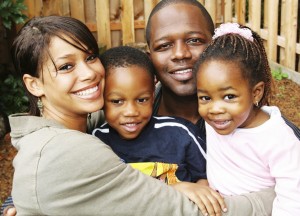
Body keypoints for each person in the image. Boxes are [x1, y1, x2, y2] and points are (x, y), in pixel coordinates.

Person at [4, 15, 276, 216]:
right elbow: (185, 211)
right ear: (34, 84)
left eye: (89, 57)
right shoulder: (68, 150)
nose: (88, 73)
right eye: (65, 67)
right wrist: (281, 196)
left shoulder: (93, 120)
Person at [93, 46, 226, 214]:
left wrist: (200, 192)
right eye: (117, 101)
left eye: (142, 100)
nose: (131, 112)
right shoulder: (97, 143)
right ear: (102, 100)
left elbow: (207, 177)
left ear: (153, 96)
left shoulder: (180, 133)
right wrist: (175, 188)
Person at [145, 0, 300, 139]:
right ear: (150, 57)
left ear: (215, 45)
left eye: (194, 40)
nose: (180, 54)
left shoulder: (274, 137)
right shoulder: (129, 120)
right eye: (164, 45)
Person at [194, 22, 300, 215]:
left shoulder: (279, 139)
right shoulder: (217, 122)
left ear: (256, 92)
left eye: (229, 97)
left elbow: (292, 199)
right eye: (205, 98)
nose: (215, 109)